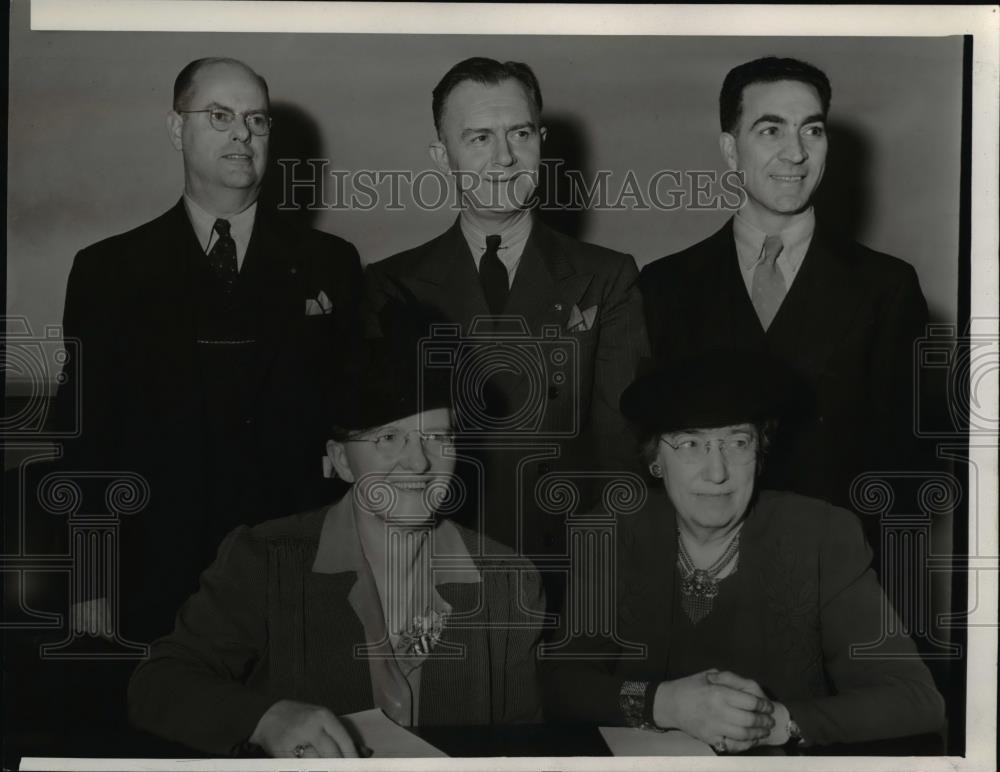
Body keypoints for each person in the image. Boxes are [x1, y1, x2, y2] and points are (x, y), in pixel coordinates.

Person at [52, 57, 363, 642]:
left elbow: (353, 426)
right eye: (219, 115)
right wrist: (91, 584)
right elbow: (82, 438)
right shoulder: (107, 270)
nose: (242, 134)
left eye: (257, 120)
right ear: (176, 129)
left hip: (295, 572)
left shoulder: (332, 263)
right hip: (155, 574)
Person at [127, 346, 545, 757]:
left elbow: (522, 750)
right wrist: (263, 717)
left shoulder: (507, 582)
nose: (418, 462)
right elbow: (157, 684)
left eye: (437, 437)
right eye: (388, 437)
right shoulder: (265, 560)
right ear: (342, 461)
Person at [541, 353, 945, 752]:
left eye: (737, 441)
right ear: (656, 461)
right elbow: (561, 683)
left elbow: (916, 700)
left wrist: (774, 723)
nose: (716, 471)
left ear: (760, 452)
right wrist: (667, 704)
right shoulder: (612, 533)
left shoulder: (822, 536)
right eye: (690, 443)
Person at [365, 57, 648, 605]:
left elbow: (621, 459)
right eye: (478, 138)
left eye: (519, 133)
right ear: (441, 154)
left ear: (542, 141)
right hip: (436, 568)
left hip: (569, 570)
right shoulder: (391, 284)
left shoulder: (608, 277)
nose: (503, 158)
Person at [638, 57, 928, 513]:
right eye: (771, 130)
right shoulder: (663, 286)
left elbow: (907, 468)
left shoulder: (887, 287)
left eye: (811, 130)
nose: (796, 152)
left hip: (837, 568)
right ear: (731, 151)